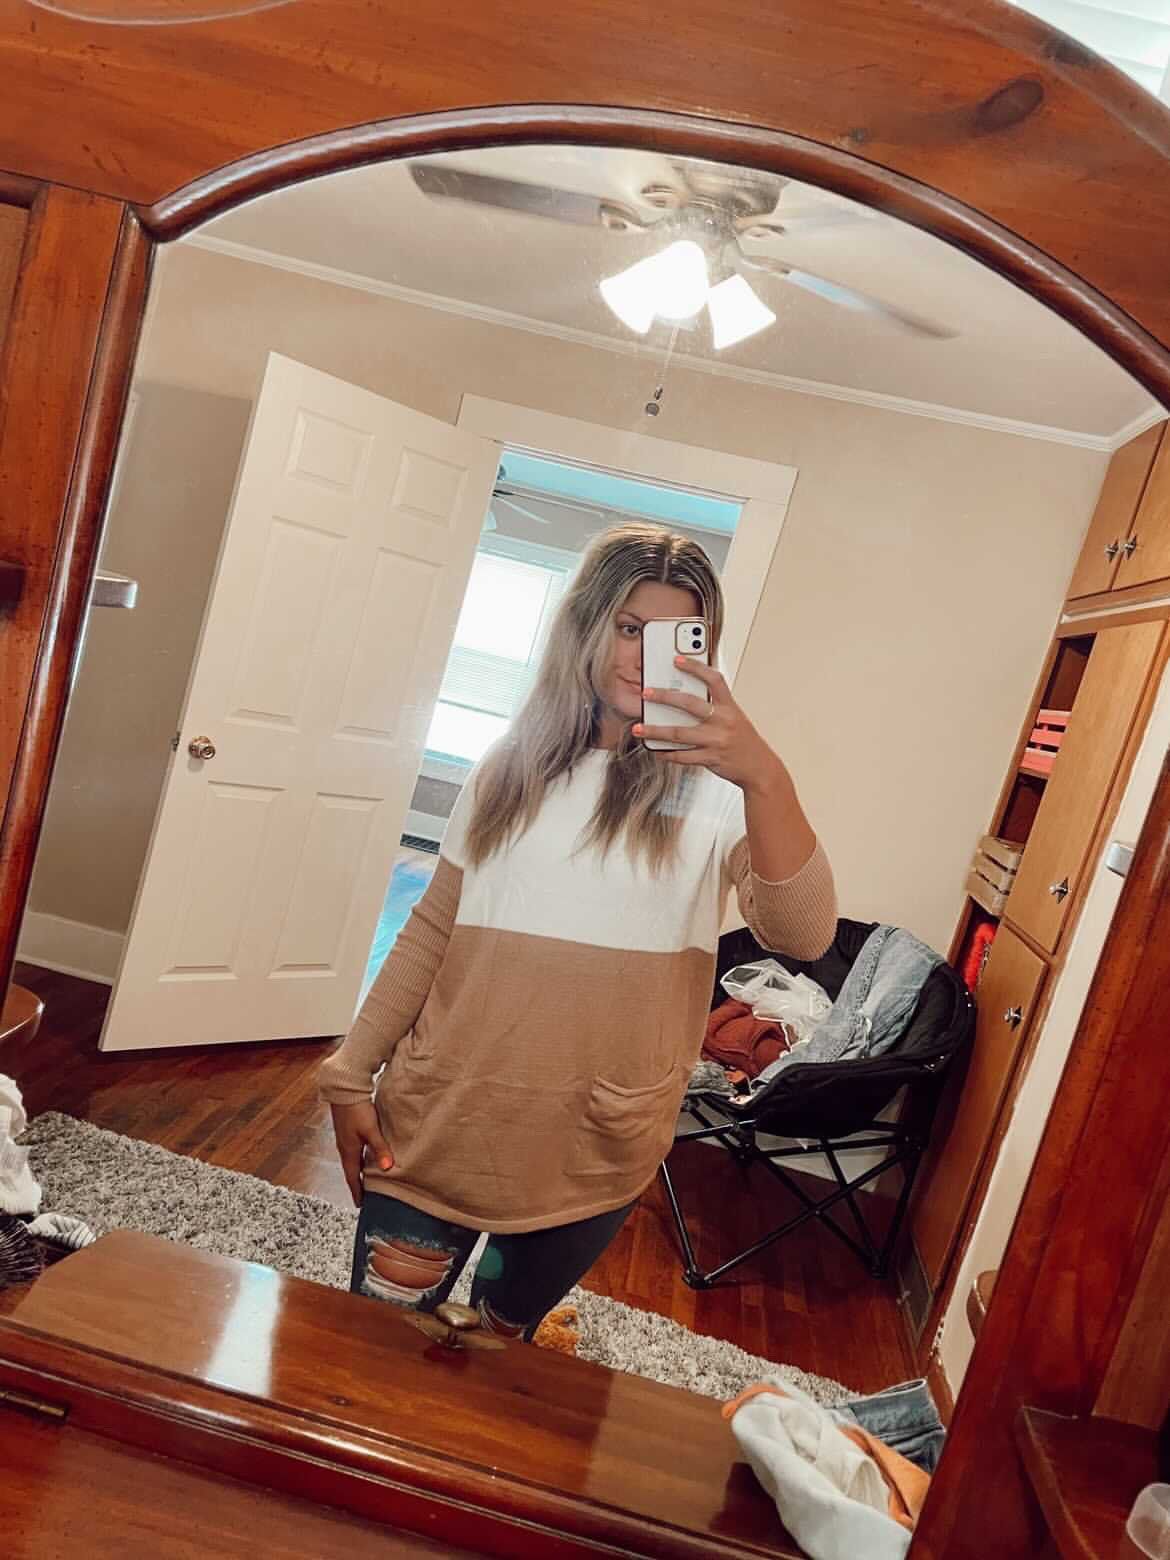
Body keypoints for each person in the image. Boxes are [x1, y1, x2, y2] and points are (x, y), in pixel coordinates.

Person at [319, 522, 836, 1338]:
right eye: (629, 627)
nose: (642, 656)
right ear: (585, 626)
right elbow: (431, 929)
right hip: (439, 1126)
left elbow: (802, 936)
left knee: (499, 1347)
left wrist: (766, 778)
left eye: (676, 637)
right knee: (378, 1349)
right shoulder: (504, 770)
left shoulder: (720, 795)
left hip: (594, 1150)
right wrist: (350, 1071)